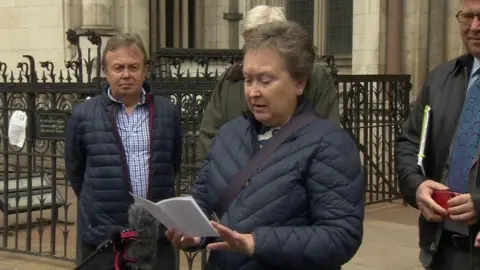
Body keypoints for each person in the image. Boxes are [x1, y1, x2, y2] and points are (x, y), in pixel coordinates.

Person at [166, 21, 364, 270]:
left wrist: (257, 243)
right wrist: (194, 234)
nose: (253, 92)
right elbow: (205, 200)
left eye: (266, 81)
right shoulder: (230, 133)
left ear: (299, 83)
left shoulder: (329, 143)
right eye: (248, 80)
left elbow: (340, 237)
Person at [64, 33, 181, 270]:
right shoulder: (84, 115)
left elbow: (173, 163)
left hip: (155, 237)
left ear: (145, 70)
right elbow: (76, 172)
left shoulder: (167, 112)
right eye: (118, 67)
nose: (126, 74)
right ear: (106, 71)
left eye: (133, 67)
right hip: (105, 238)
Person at [395, 1, 480, 269]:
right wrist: (416, 185)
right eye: (468, 16)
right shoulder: (441, 78)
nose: (476, 27)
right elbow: (409, 142)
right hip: (442, 248)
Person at [196, 4, 340, 162]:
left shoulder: (315, 77)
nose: (253, 92)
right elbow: (209, 139)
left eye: (266, 42)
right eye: (250, 43)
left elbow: (328, 143)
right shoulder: (230, 80)